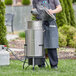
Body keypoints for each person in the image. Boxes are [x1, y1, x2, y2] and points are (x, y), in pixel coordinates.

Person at [32, 0, 62, 69]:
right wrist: (34, 12)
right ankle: (41, 64)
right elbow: (34, 8)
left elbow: (60, 8)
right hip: (40, 23)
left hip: (50, 23)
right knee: (39, 44)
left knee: (52, 44)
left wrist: (52, 11)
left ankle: (54, 65)